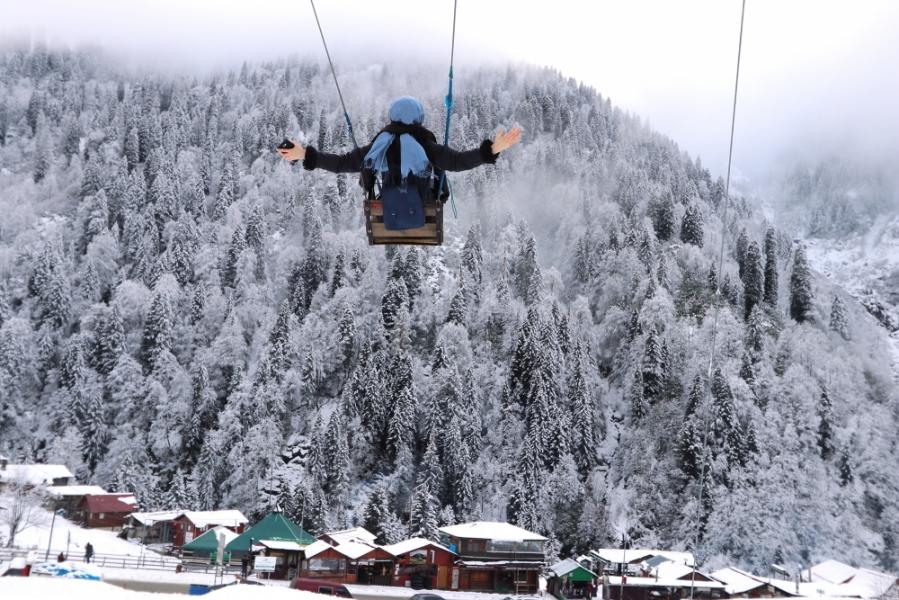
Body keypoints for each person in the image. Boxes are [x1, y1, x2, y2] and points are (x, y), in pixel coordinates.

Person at [277, 96, 521, 228]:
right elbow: (457, 162)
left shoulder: (379, 147)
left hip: (388, 208)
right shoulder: (425, 145)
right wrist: (493, 149)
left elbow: (341, 164)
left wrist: (304, 155)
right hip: (424, 205)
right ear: (418, 119)